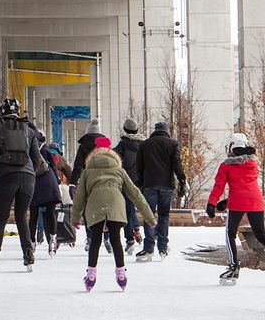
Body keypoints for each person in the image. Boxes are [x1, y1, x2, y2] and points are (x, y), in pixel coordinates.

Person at [71, 137, 156, 292]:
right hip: (116, 205)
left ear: (95, 151)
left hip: (95, 206)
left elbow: (79, 197)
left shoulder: (87, 171)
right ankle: (121, 274)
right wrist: (149, 217)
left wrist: (75, 217)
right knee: (116, 239)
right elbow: (135, 194)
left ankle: (91, 276)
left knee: (96, 240)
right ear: (111, 151)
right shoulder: (119, 170)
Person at [206, 133, 265, 284]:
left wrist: (212, 203)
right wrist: (225, 202)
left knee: (230, 234)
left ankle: (233, 267)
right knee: (261, 234)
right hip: (255, 201)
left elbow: (219, 186)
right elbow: (245, 186)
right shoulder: (252, 164)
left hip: (237, 203)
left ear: (231, 148)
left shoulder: (226, 166)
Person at [0, 98, 44, 271]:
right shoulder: (29, 130)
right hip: (28, 178)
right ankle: (28, 255)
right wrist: (30, 173)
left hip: (7, 177)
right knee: (21, 216)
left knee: (1, 217)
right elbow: (38, 160)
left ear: (2, 111)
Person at [135, 121, 187, 260]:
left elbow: (139, 167)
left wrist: (139, 184)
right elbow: (177, 164)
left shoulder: (145, 145)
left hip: (149, 185)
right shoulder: (173, 144)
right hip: (167, 186)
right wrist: (182, 180)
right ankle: (163, 248)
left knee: (149, 215)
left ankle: (149, 248)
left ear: (155, 130)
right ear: (166, 131)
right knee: (164, 216)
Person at [113, 119, 144, 251]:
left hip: (125, 181)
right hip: (140, 181)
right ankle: (136, 230)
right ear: (137, 130)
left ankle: (130, 238)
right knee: (133, 208)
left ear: (125, 130)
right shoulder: (144, 144)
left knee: (127, 210)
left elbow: (114, 158)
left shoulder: (122, 145)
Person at [31, 143, 64, 255]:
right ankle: (52, 240)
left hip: (34, 181)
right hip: (49, 181)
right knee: (51, 213)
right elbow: (54, 167)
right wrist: (57, 182)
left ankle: (31, 243)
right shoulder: (45, 148)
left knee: (33, 214)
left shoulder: (25, 144)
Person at [69, 118, 103, 185]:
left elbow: (78, 166)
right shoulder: (106, 146)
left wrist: (72, 183)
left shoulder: (83, 146)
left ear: (88, 132)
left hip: (88, 180)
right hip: (104, 179)